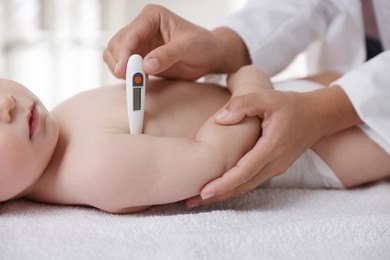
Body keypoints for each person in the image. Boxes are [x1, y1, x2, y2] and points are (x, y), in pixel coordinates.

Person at [103, 1, 390, 207]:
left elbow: (207, 157)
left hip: (292, 108)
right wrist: (224, 49)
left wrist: (320, 109)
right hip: (286, 110)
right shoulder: (82, 162)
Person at [1, 66, 389, 213]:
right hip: (304, 148)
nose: (5, 105)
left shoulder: (59, 119)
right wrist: (250, 83)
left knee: (353, 79)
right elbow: (209, 161)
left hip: (276, 100)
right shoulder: (92, 167)